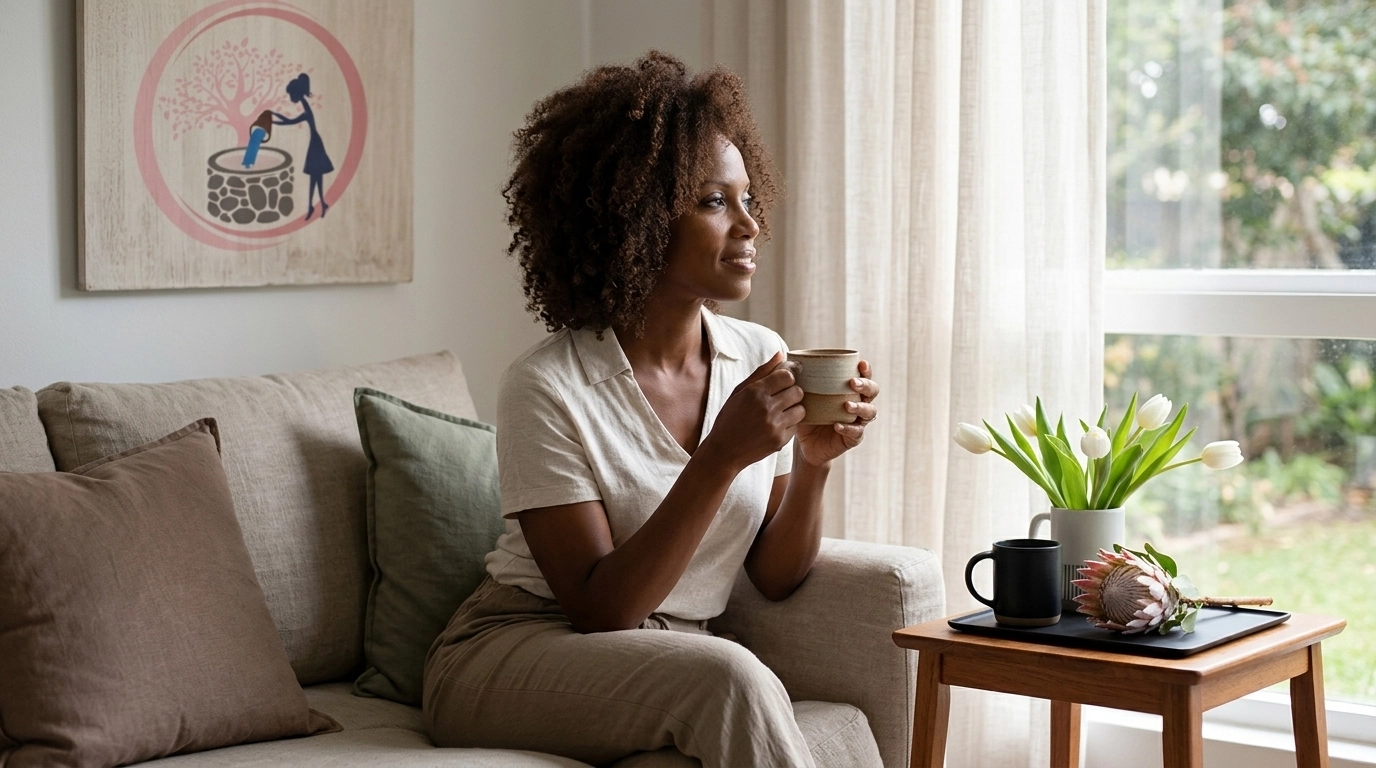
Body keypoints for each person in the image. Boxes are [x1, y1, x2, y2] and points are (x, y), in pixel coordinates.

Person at [423, 51, 880, 768]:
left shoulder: (758, 353)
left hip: (667, 653)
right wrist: (722, 456)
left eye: (748, 198)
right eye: (713, 201)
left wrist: (814, 465)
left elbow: (775, 576)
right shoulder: (548, 386)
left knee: (714, 695)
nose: (750, 227)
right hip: (515, 651)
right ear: (632, 216)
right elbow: (601, 609)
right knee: (731, 676)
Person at [272, 73, 333, 220]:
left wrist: (273, 120)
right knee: (315, 177)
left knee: (316, 176)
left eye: (291, 95)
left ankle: (316, 205)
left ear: (296, 94)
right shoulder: (305, 107)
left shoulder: (306, 110)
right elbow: (289, 121)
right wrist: (273, 116)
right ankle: (316, 205)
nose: (290, 98)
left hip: (316, 144)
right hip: (315, 142)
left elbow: (289, 121)